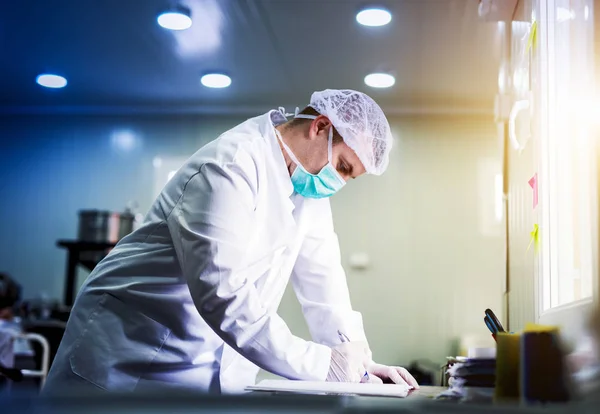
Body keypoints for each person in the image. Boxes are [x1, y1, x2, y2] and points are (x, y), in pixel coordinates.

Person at [43, 89, 419, 394]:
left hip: (196, 372)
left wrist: (358, 360)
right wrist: (323, 365)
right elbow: (223, 296)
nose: (338, 183)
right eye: (342, 167)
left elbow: (324, 283)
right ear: (320, 127)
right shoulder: (231, 166)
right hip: (128, 357)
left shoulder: (309, 192)